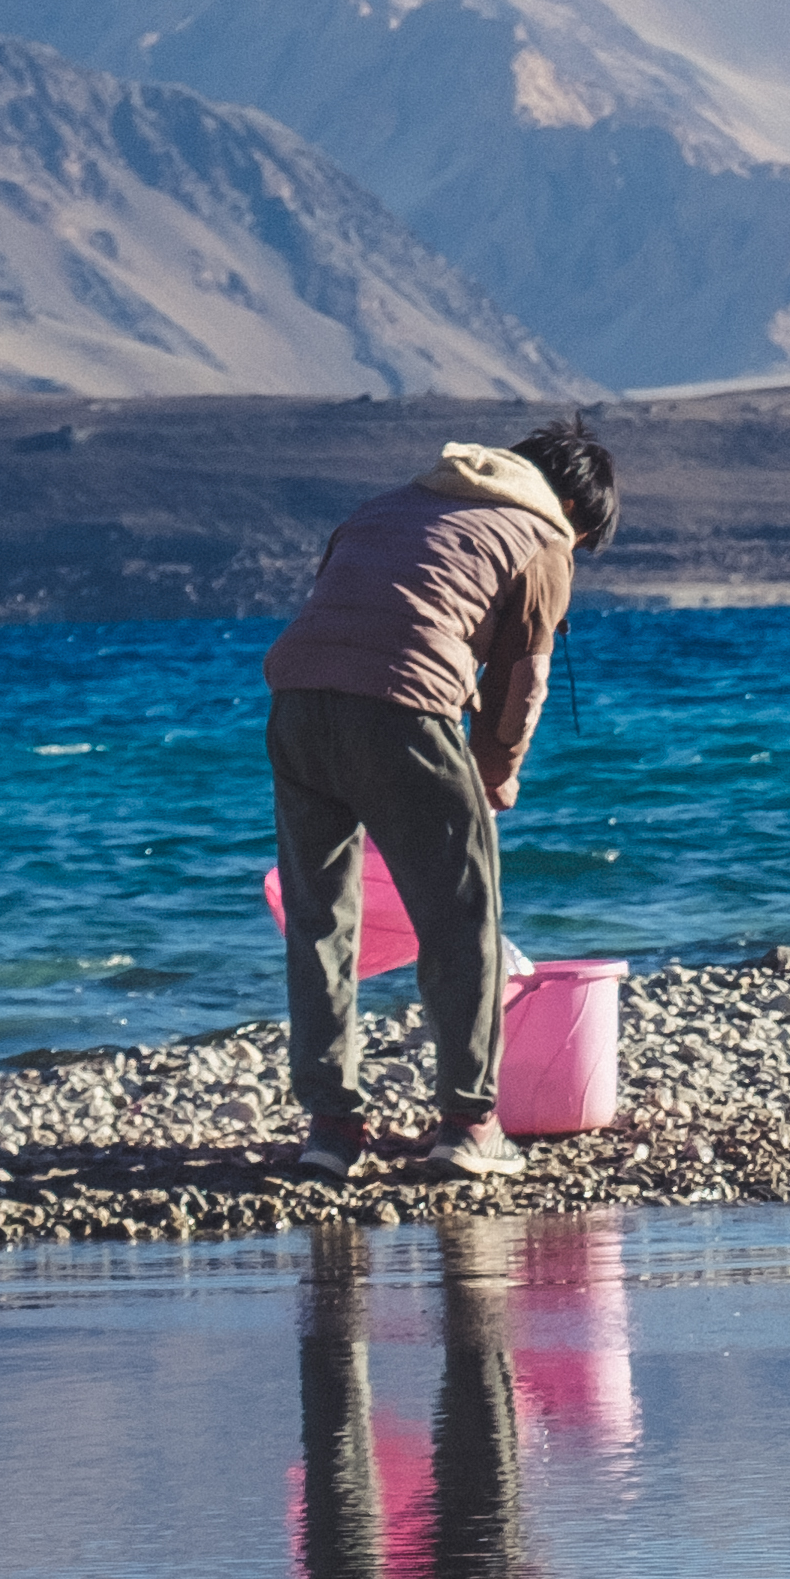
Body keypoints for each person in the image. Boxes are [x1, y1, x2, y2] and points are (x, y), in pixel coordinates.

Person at [264, 415, 613, 1178]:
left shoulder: (385, 506)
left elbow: (354, 611)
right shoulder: (542, 539)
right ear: (577, 515)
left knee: (322, 921)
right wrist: (491, 782)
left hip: (294, 707)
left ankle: (331, 1131)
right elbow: (520, 686)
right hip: (405, 712)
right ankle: (469, 1124)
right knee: (463, 920)